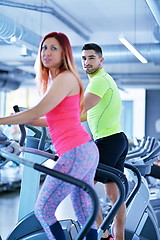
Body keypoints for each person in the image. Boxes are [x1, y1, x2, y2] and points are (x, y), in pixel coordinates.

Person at [0, 32, 99, 240]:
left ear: (64, 53)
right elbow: (51, 119)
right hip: (84, 150)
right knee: (83, 212)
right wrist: (23, 120)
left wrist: (3, 120)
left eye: (53, 48)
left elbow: (37, 110)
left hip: (75, 152)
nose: (46, 52)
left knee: (44, 209)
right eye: (44, 48)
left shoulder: (64, 78)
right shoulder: (60, 80)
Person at [81, 43, 129, 240]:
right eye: (84, 58)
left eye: (91, 58)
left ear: (101, 60)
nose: (86, 62)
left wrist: (47, 117)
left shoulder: (99, 81)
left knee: (83, 187)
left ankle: (104, 235)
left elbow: (79, 110)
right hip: (117, 139)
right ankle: (119, 238)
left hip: (108, 141)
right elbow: (85, 115)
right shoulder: (101, 81)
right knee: (114, 196)